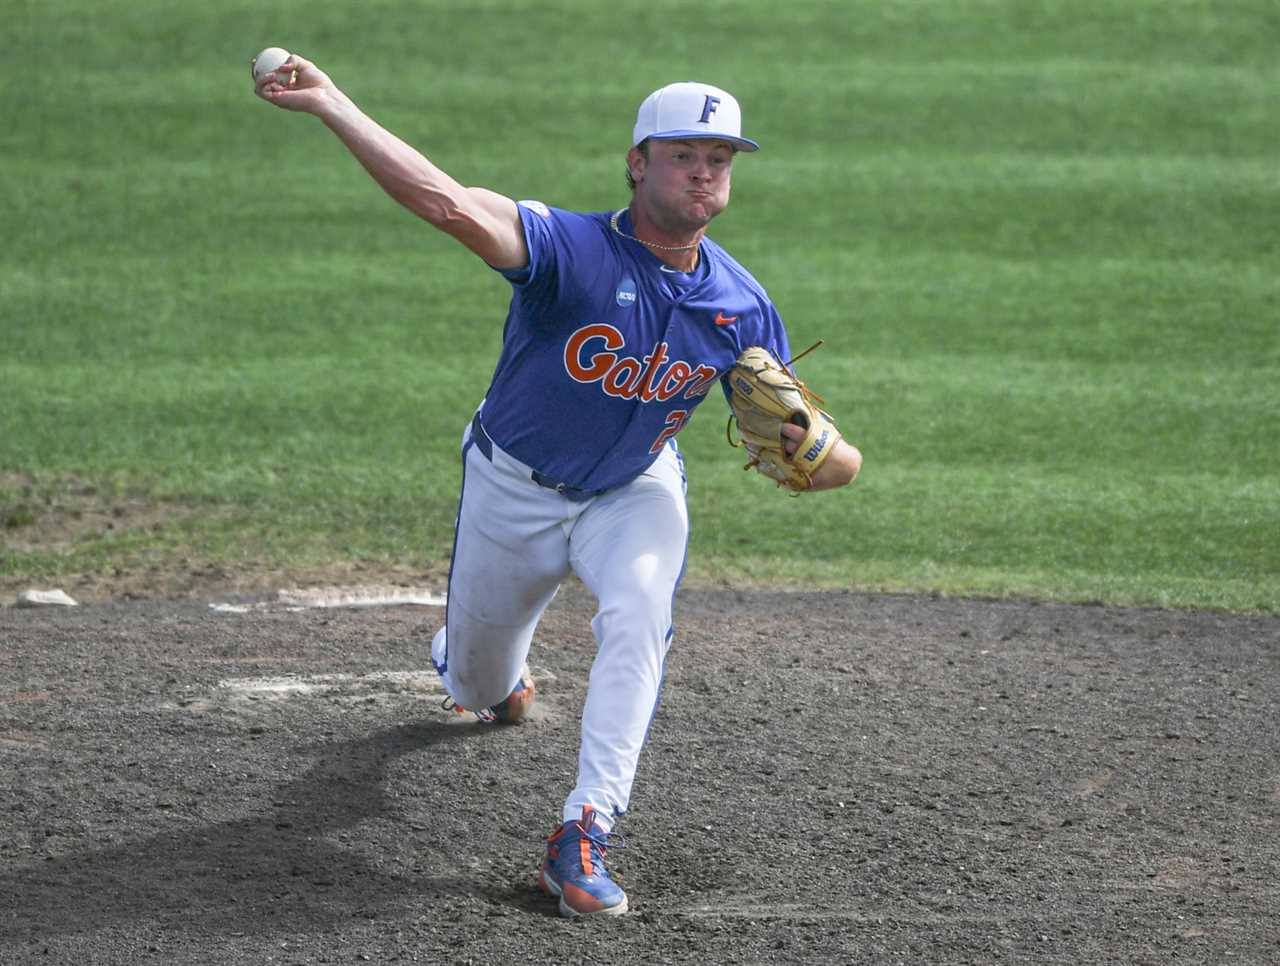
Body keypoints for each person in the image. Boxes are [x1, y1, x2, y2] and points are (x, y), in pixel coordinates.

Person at [254, 58, 862, 918]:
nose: (703, 171)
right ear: (636, 161)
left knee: (641, 614)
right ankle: (489, 679)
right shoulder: (568, 247)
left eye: (719, 158)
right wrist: (331, 103)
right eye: (684, 153)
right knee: (476, 687)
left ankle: (584, 831)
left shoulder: (741, 306)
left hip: (634, 490)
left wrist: (815, 445)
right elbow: (448, 202)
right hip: (512, 488)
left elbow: (836, 466)